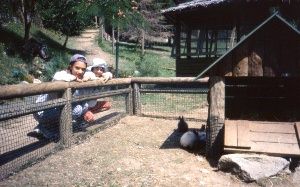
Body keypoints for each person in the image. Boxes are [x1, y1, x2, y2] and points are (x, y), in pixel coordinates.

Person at [31, 54, 100, 139]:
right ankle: (46, 128)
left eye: (83, 69)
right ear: (70, 67)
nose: (80, 71)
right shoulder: (63, 74)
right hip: (41, 110)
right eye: (77, 68)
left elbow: (91, 104)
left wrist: (102, 76)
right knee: (77, 109)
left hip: (54, 109)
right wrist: (73, 78)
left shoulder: (82, 79)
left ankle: (45, 128)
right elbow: (57, 76)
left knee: (84, 105)